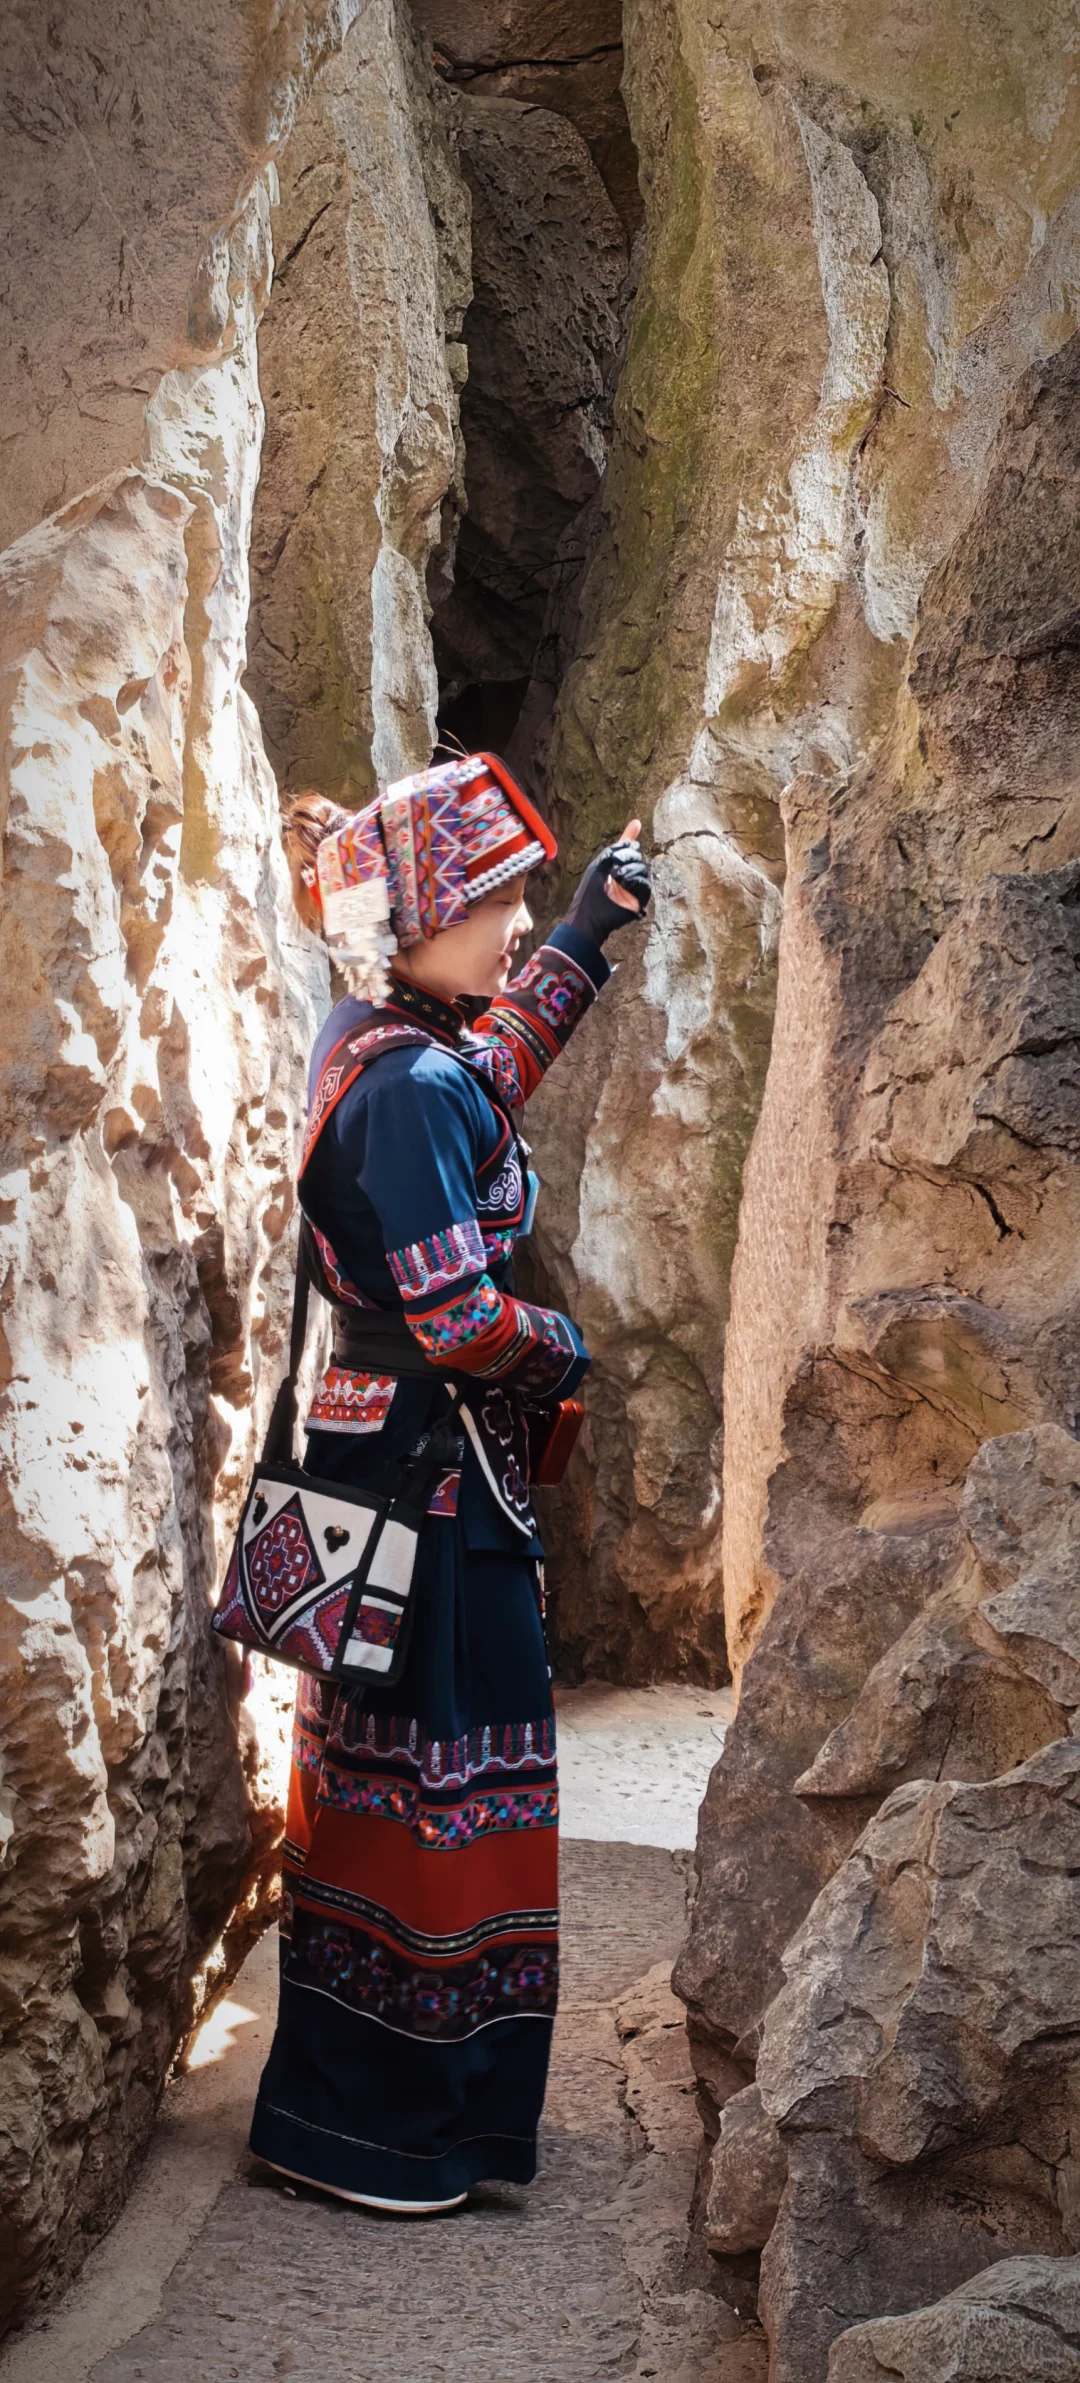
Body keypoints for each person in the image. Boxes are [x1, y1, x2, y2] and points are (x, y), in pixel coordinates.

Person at [249, 749, 650, 2214]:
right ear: (418, 919)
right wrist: (572, 1346)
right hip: (430, 1488)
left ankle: (367, 2113)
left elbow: (487, 1078)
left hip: (391, 1473)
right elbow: (459, 1317)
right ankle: (397, 2128)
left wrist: (587, 934)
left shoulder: (378, 1040)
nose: (513, 921)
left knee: (396, 1781)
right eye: (493, 902)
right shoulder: (410, 1084)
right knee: (440, 1788)